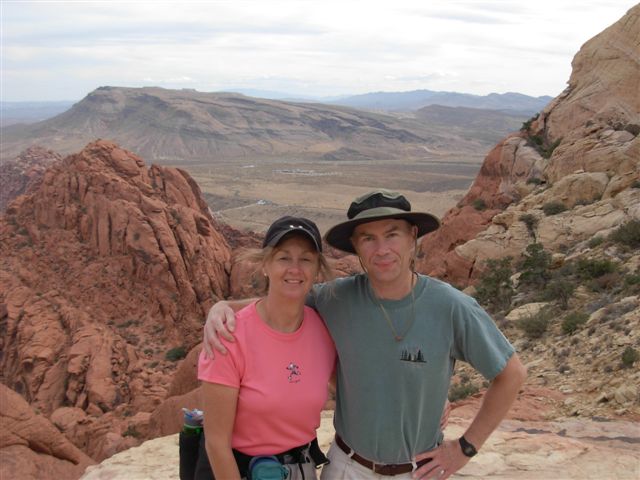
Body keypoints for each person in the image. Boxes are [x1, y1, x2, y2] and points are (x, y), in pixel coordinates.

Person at [204, 189, 527, 480]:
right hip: (347, 467)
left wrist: (465, 448)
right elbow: (284, 297)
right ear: (356, 246)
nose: (381, 249)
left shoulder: (451, 306)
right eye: (368, 238)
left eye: (392, 235)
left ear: (413, 236)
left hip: (418, 471)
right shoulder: (337, 298)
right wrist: (223, 307)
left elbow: (511, 374)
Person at [197, 216, 336, 480]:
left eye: (305, 259)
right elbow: (216, 444)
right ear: (265, 265)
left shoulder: (323, 330)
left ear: (317, 269)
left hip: (302, 469)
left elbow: (353, 389)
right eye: (284, 258)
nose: (295, 269)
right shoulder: (229, 335)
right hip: (242, 471)